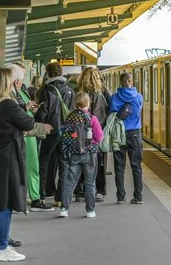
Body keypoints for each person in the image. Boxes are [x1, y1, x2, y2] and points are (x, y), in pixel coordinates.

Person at [0, 68, 51, 262]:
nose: (13, 84)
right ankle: (2, 248)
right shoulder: (6, 104)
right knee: (6, 204)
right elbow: (28, 123)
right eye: (11, 82)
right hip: (7, 158)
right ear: (5, 83)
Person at [8, 64, 52, 212]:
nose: (22, 81)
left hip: (28, 132)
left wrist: (29, 108)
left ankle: (33, 197)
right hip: (24, 133)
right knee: (24, 168)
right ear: (15, 81)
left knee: (32, 166)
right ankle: (28, 199)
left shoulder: (20, 91)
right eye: (21, 78)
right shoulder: (10, 94)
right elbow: (15, 115)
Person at [58, 92, 103, 218]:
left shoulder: (69, 117)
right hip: (89, 154)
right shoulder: (92, 118)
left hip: (74, 154)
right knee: (90, 183)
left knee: (70, 182)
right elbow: (99, 137)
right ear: (87, 104)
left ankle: (64, 209)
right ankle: (90, 211)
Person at [35, 62, 74, 207]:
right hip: (65, 132)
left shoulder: (46, 90)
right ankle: (60, 197)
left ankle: (42, 195)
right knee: (64, 163)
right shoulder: (70, 90)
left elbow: (43, 112)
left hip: (50, 131)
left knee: (44, 162)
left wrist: (38, 125)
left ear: (48, 73)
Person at [76, 67, 111, 202]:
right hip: (94, 135)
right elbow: (101, 117)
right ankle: (97, 190)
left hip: (79, 135)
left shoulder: (77, 93)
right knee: (97, 163)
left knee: (79, 161)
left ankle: (79, 191)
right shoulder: (99, 94)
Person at [109, 72, 144, 205]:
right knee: (136, 166)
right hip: (134, 134)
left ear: (121, 81)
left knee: (119, 166)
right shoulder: (138, 97)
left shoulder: (115, 97)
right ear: (131, 81)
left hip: (119, 134)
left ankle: (120, 196)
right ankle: (138, 196)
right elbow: (138, 111)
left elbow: (112, 114)